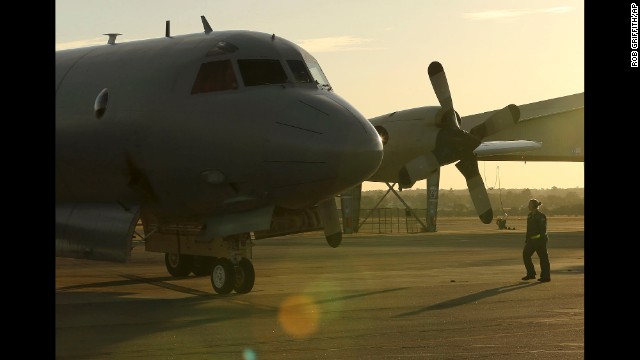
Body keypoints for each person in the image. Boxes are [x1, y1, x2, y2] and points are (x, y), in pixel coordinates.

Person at [521, 199, 551, 282]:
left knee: (543, 258)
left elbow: (543, 229)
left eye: (529, 204)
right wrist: (527, 239)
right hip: (531, 240)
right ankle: (531, 274)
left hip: (540, 240)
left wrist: (542, 241)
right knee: (526, 255)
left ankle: (546, 276)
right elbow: (528, 229)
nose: (528, 206)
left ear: (534, 206)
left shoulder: (541, 216)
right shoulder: (530, 215)